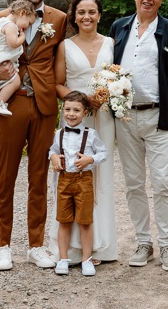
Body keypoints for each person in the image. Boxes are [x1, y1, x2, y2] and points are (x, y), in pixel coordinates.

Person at [0, 0, 67, 271]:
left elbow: (62, 60)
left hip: (43, 105)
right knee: (5, 176)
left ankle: (36, 245)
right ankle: (2, 246)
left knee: (39, 177)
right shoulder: (2, 17)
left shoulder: (59, 19)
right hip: (11, 102)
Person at [109, 0, 168, 272]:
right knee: (133, 184)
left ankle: (167, 244)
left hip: (159, 117)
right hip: (125, 117)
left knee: (162, 182)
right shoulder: (119, 27)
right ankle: (144, 242)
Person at [48, 0, 118, 265]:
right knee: (71, 172)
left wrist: (107, 96)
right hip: (75, 115)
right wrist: (79, 102)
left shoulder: (111, 43)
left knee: (100, 175)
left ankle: (99, 247)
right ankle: (71, 249)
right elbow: (57, 83)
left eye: (91, 12)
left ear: (99, 15)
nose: (86, 17)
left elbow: (118, 77)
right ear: (74, 16)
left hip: (103, 118)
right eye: (81, 12)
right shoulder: (65, 45)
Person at [49, 91, 108, 277]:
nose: (71, 114)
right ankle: (63, 258)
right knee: (64, 221)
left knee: (85, 221)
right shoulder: (59, 134)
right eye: (67, 109)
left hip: (84, 181)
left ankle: (86, 259)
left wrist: (90, 159)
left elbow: (103, 153)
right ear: (62, 110)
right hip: (64, 180)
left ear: (85, 112)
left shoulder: (91, 135)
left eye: (76, 110)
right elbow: (53, 150)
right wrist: (53, 158)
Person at [0, 0, 38, 116]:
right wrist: (21, 37)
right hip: (1, 57)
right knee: (15, 81)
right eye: (29, 23)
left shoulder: (1, 21)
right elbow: (13, 43)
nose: (27, 27)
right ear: (22, 13)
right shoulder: (11, 26)